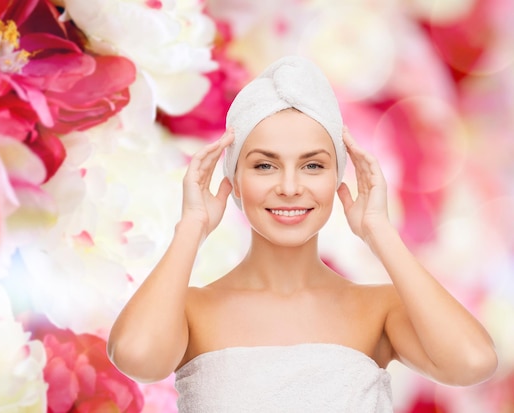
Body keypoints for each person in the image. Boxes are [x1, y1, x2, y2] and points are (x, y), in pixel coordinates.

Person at [107, 56, 498, 412]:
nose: (290, 187)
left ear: (338, 177)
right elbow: (136, 356)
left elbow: (472, 362)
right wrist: (191, 225)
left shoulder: (379, 310)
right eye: (265, 166)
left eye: (313, 166)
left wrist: (380, 231)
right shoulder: (192, 311)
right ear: (234, 179)